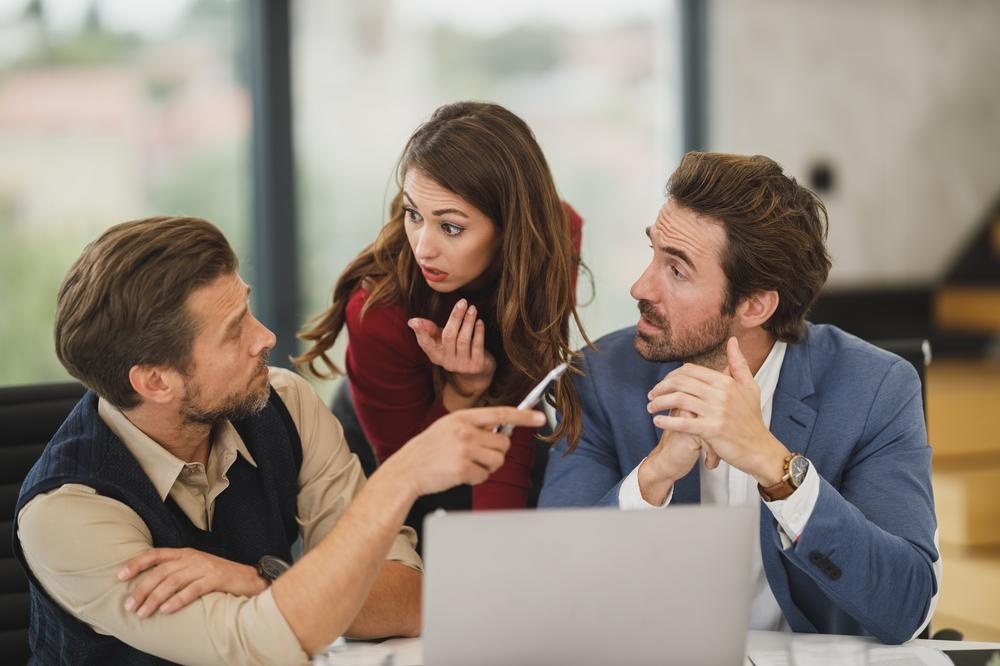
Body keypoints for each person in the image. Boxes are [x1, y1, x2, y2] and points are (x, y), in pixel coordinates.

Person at [13, 216, 545, 664]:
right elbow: (260, 647)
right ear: (155, 381)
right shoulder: (65, 515)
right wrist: (404, 476)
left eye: (247, 308)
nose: (265, 337)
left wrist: (258, 580)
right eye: (234, 330)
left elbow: (409, 598)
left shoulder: (282, 402)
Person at [538, 152, 940, 645]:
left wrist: (777, 468)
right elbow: (552, 589)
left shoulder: (877, 389)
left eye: (677, 270)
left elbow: (906, 606)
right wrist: (653, 475)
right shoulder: (600, 377)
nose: (640, 286)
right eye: (654, 253)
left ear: (754, 305)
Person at [296, 101, 588, 537]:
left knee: (516, 551)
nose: (423, 247)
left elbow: (519, 395)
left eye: (450, 227)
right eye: (414, 214)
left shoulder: (551, 238)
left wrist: (497, 554)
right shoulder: (376, 308)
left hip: (501, 415)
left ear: (511, 227)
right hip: (392, 439)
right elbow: (407, 469)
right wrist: (464, 388)